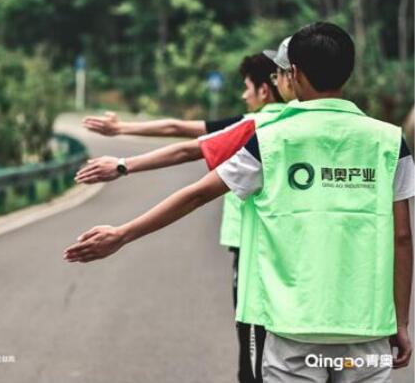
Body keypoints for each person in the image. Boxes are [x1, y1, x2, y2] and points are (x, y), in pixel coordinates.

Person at [65, 22, 413, 382]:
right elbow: (402, 237)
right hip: (366, 329)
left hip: (292, 327)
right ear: (349, 71)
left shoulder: (270, 139)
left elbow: (197, 193)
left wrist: (123, 233)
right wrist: (400, 321)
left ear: (294, 74)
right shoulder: (390, 141)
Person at [78, 50, 294, 382]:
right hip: (307, 268)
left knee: (255, 356)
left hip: (257, 253)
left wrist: (122, 163)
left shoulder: (258, 127)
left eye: (247, 87)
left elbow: (186, 150)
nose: (243, 95)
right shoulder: (359, 132)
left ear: (270, 87)